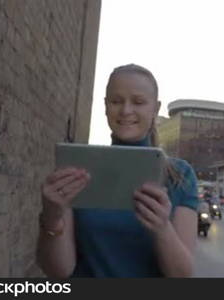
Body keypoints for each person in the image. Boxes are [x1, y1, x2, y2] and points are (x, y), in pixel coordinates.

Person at [36, 64, 199, 278]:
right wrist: (52, 217)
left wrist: (162, 227)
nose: (125, 110)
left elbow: (183, 275)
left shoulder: (180, 175)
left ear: (155, 109)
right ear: (105, 106)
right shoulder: (79, 167)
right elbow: (58, 272)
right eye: (116, 101)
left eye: (138, 102)